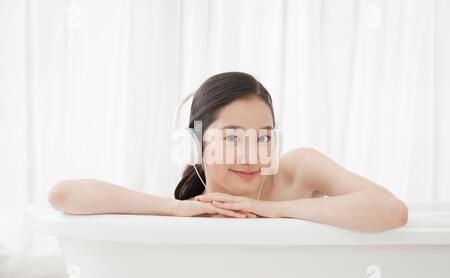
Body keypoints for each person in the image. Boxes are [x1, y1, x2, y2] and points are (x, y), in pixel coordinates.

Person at [48, 71, 408, 232]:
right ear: (195, 144)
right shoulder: (193, 213)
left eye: (264, 137)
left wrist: (270, 210)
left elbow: (391, 211)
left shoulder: (298, 168)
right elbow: (63, 195)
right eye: (232, 138)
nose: (252, 155)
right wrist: (173, 208)